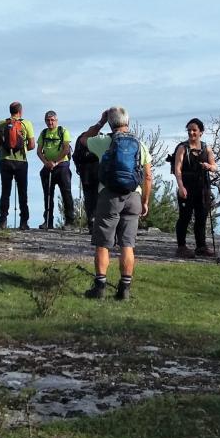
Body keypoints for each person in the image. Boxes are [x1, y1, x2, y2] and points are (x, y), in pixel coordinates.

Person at [79, 106, 152, 300]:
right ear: (128, 121)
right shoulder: (140, 144)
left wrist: (100, 122)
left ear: (111, 123)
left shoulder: (104, 141)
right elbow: (148, 177)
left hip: (109, 195)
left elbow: (83, 140)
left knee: (103, 243)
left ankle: (100, 287)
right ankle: (125, 290)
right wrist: (145, 201)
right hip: (133, 196)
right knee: (127, 244)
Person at [172, 118, 217, 258]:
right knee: (184, 217)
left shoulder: (206, 148)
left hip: (203, 187)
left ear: (201, 132)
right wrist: (181, 187)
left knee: (201, 217)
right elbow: (177, 169)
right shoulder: (182, 148)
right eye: (189, 130)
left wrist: (209, 167)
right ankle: (181, 247)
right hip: (186, 186)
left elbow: (214, 167)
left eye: (194, 130)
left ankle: (201, 246)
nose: (191, 132)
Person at [0, 102, 36, 230]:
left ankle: (3, 221)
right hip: (21, 161)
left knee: (5, 191)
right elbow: (32, 145)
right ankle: (24, 222)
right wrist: (22, 148)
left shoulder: (2, 123)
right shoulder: (26, 123)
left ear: (10, 111)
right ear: (20, 111)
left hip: (5, 160)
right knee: (22, 192)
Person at [36, 110, 75, 229]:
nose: (50, 122)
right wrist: (46, 163)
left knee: (66, 193)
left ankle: (69, 221)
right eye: (48, 120)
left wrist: (56, 162)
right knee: (47, 194)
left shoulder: (63, 132)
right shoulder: (43, 133)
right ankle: (48, 221)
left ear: (56, 120)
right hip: (48, 166)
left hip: (62, 165)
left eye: (52, 120)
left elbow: (66, 149)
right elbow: (39, 151)